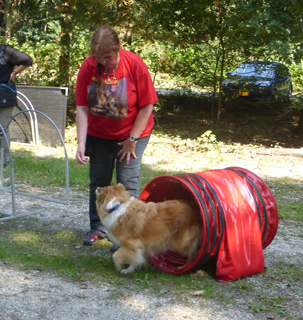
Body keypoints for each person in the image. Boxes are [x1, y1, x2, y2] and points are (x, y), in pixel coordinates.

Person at [75, 26, 158, 247]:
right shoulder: (88, 66)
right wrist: (81, 143)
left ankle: (127, 235)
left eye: (108, 57)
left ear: (118, 49)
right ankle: (98, 228)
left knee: (127, 183)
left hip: (133, 133)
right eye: (98, 57)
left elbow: (147, 106)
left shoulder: (134, 64)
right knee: (99, 184)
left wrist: (132, 140)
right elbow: (82, 108)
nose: (103, 62)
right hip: (99, 135)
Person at [0, 44, 32, 166]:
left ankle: (4, 160)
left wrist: (14, 73)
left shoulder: (6, 51)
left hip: (4, 95)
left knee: (2, 129)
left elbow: (27, 60)